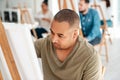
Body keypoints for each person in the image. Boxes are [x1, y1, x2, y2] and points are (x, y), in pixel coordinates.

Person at [34, 9, 102, 80]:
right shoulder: (45, 43)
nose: (53, 40)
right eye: (52, 33)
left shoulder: (90, 57)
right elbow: (25, 50)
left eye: (60, 35)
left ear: (75, 34)